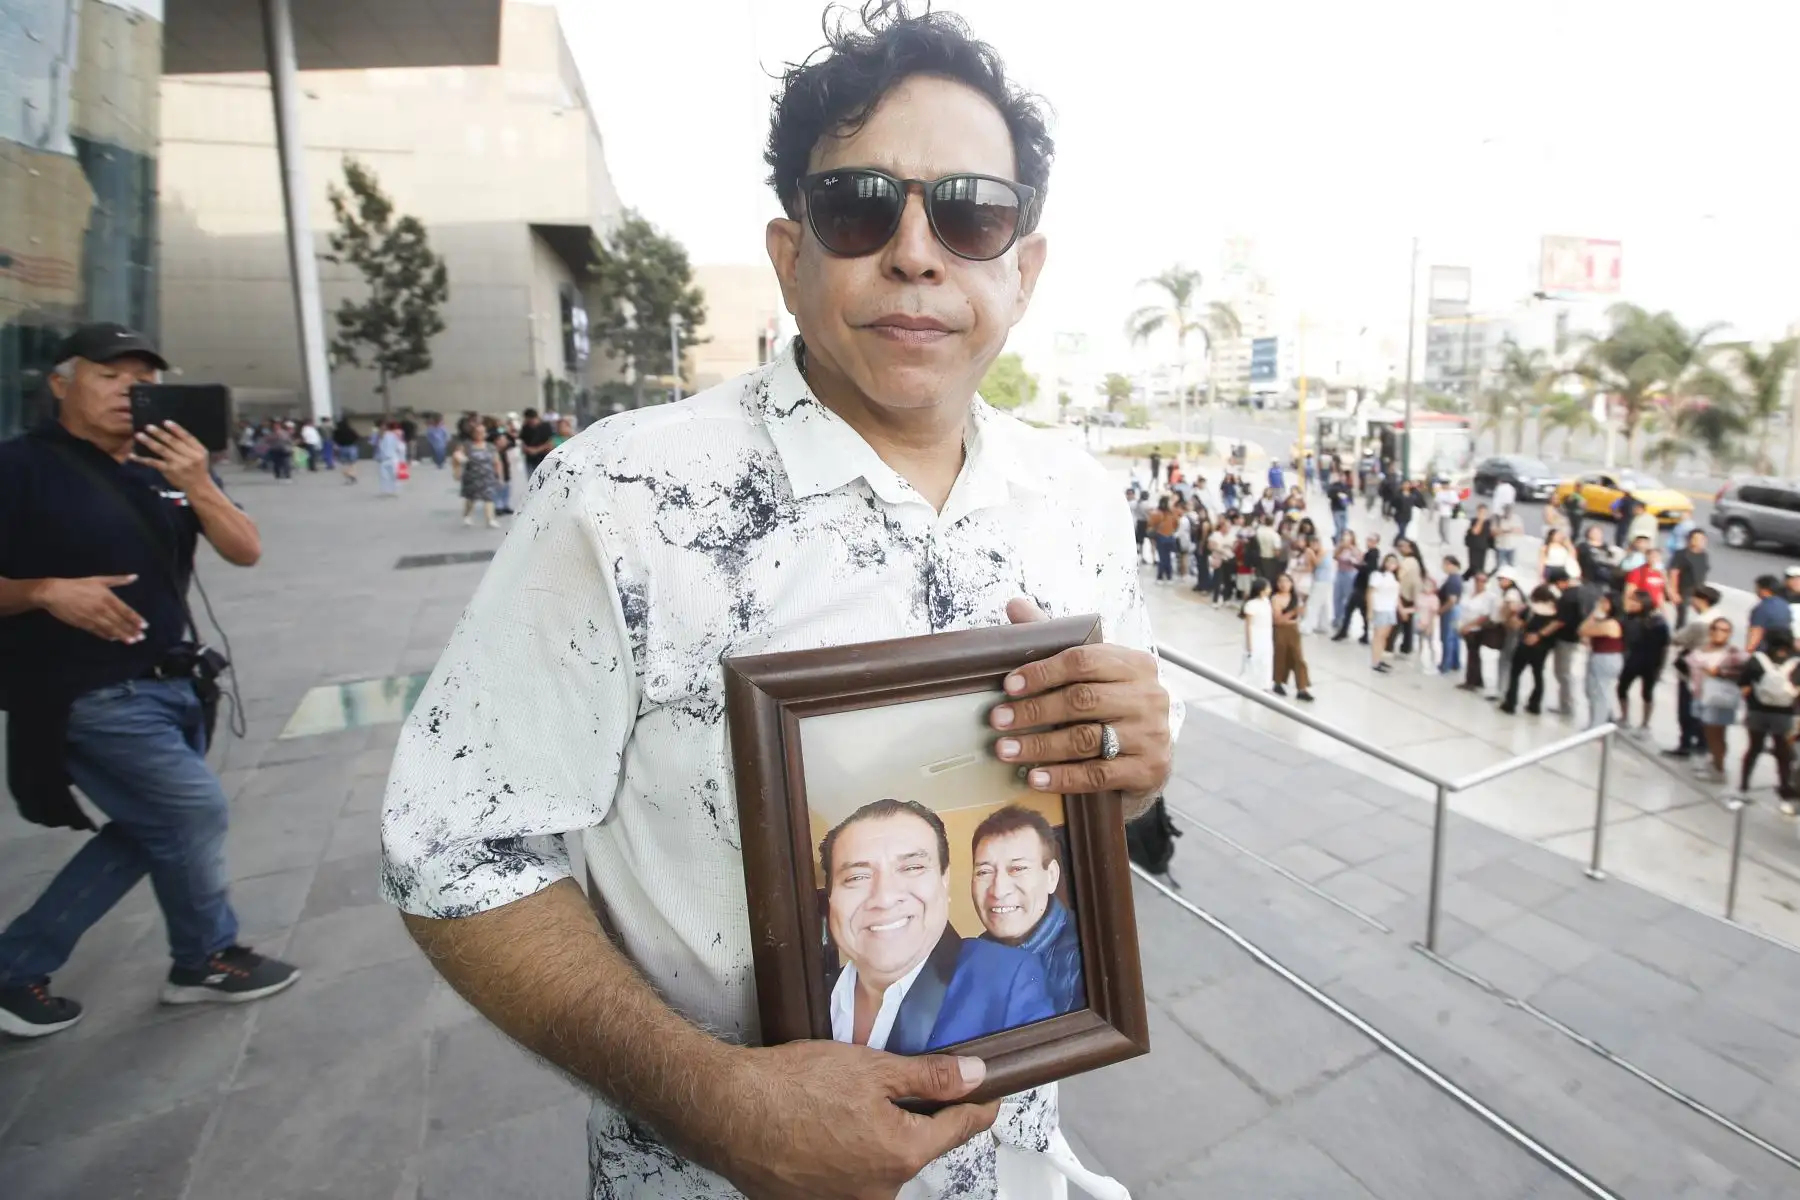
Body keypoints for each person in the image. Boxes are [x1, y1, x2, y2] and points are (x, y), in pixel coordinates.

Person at [378, 11, 1177, 1195]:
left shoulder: (1075, 499)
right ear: (791, 249)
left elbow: (1091, 826)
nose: (916, 254)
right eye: (861, 206)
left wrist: (1137, 770)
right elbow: (456, 854)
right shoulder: (624, 496)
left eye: (970, 213)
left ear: (1024, 264)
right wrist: (714, 1101)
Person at [0, 323, 298, 1037]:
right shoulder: (21, 468)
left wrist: (196, 481)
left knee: (155, 827)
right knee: (191, 813)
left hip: (174, 684)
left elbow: (246, 549)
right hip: (86, 690)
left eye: (144, 379)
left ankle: (14, 970)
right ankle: (204, 958)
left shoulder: (167, 463)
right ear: (61, 383)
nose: (130, 390)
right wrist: (44, 591)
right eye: (110, 375)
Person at [823, 800, 1054, 1053]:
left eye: (912, 868)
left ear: (945, 883)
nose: (884, 898)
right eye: (857, 877)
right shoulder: (807, 997)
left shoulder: (1008, 979)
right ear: (831, 896)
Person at [970, 805, 1084, 1013]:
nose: (998, 890)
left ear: (1051, 876)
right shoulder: (970, 958)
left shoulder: (1089, 957)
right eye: (984, 872)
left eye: (1017, 869)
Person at [1736, 634, 1798, 812]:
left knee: (1754, 748)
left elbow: (1743, 683)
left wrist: (1752, 702)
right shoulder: (1795, 663)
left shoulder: (1757, 660)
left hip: (1758, 711)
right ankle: (1784, 789)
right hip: (1784, 714)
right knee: (1783, 753)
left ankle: (1744, 786)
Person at [1662, 585, 1723, 760]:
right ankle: (1702, 743)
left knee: (1686, 708)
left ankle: (1685, 744)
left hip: (1691, 671)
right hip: (1709, 672)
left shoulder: (1700, 623)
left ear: (1702, 600)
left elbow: (1677, 638)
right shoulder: (1719, 618)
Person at [1689, 617, 1747, 783]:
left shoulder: (1734, 653)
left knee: (1717, 735)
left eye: (1724, 630)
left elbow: (1743, 674)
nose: (1718, 633)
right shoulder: (1702, 648)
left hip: (1719, 698)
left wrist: (1719, 672)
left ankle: (1719, 768)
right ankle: (1714, 762)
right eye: (1715, 628)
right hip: (1701, 695)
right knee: (1709, 733)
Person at [1617, 588, 1671, 737]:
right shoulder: (1627, 617)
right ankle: (1624, 717)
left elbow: (1665, 646)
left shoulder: (1657, 622)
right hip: (1632, 659)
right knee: (1622, 688)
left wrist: (1660, 667)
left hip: (1650, 662)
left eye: (1636, 601)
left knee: (1647, 693)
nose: (1632, 603)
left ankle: (1645, 724)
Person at [1499, 585, 1560, 715]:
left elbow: (1515, 623)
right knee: (1538, 674)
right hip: (1543, 648)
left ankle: (1511, 702)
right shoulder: (1555, 612)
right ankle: (1535, 704)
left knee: (1515, 673)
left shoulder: (1529, 610)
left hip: (1525, 644)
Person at [1579, 592, 1624, 730]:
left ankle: (1597, 726)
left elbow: (1583, 630)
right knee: (1593, 690)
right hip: (1599, 656)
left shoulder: (1611, 623)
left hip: (1607, 659)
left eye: (1605, 602)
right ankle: (1599, 722)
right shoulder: (1605, 621)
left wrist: (1594, 613)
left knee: (1601, 692)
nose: (1601, 605)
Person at [1543, 570, 1585, 718]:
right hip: (1574, 637)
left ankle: (1566, 705)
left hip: (1566, 638)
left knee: (1562, 672)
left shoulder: (1567, 597)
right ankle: (1566, 703)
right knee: (1564, 672)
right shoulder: (1579, 592)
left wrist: (1541, 633)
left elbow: (1560, 621)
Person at [1270, 573, 1314, 701]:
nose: (1284, 584)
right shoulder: (1276, 599)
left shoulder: (1296, 597)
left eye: (1286, 581)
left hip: (1294, 630)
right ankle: (1278, 682)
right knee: (1281, 656)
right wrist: (1293, 612)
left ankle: (1302, 688)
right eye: (1281, 582)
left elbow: (1302, 613)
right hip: (1281, 630)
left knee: (1298, 658)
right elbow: (1277, 620)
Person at [1456, 570, 1501, 693]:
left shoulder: (1488, 597)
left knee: (1473, 655)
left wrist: (1468, 626)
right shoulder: (1469, 593)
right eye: (1477, 580)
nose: (1479, 583)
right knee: (1472, 654)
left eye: (1483, 581)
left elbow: (1484, 616)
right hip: (1465, 624)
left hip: (1476, 629)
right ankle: (1477, 679)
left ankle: (1471, 681)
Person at [1334, 533, 1381, 643]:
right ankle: (1363, 633)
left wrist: (1356, 564)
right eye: (1368, 540)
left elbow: (1369, 569)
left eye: (1371, 540)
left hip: (1362, 586)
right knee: (1360, 610)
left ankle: (1345, 631)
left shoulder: (1373, 554)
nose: (1368, 542)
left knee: (1350, 608)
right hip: (1362, 585)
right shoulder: (1370, 553)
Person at [452, 423, 500, 528]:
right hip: (472, 477)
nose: (480, 434)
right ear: (473, 434)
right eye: (477, 432)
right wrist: (457, 469)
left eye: (482, 432)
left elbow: (496, 461)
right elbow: (456, 456)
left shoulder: (490, 446)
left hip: (488, 476)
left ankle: (490, 519)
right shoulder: (467, 445)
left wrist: (498, 475)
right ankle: (467, 516)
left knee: (489, 498)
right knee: (471, 498)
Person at [1668, 529, 1711, 627]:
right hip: (1685, 590)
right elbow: (1674, 573)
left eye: (1702, 539)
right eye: (1697, 539)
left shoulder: (1704, 555)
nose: (1701, 541)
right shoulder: (1681, 554)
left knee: (1705, 615)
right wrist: (1673, 592)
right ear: (1690, 540)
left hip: (1699, 589)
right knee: (1683, 617)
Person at [1367, 555, 1402, 673]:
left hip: (1390, 609)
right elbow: (1370, 593)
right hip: (1380, 608)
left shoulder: (1394, 577)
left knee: (1385, 636)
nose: (1392, 564)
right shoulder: (1377, 575)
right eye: (1390, 561)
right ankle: (1375, 661)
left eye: (1394, 562)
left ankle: (1379, 658)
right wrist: (1370, 610)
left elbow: (1396, 596)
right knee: (1378, 636)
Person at [1241, 577, 1275, 689]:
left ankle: (1265, 685)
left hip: (1266, 635)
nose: (1270, 589)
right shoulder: (1251, 605)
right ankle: (1245, 685)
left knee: (1266, 660)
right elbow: (1248, 625)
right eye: (1268, 587)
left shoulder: (1267, 602)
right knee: (1252, 662)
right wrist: (1249, 644)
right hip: (1255, 635)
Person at [1746, 575, 1792, 654]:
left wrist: (1748, 652)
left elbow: (1756, 631)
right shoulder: (1784, 605)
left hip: (1764, 651)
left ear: (1763, 590)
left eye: (1757, 588)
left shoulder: (1762, 607)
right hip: (1783, 650)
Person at [1436, 557, 1464, 676]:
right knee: (1454, 637)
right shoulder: (1457, 579)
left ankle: (1445, 664)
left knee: (1447, 637)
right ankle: (1454, 662)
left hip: (1450, 611)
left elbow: (1451, 600)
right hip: (1456, 610)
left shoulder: (1452, 580)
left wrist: (1441, 611)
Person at [518, 406, 555, 481]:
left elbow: (550, 442)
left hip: (543, 458)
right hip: (530, 459)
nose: (531, 423)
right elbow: (522, 442)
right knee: (531, 481)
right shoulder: (526, 427)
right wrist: (528, 449)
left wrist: (537, 450)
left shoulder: (546, 426)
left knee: (544, 480)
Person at [1148, 495, 1178, 584]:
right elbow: (1176, 524)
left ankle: (1161, 577)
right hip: (1166, 537)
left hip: (1162, 537)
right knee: (1166, 558)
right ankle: (1167, 576)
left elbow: (1150, 525)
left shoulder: (1157, 513)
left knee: (1163, 558)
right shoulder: (1170, 513)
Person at [375, 420, 406, 496]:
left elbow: (400, 447)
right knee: (385, 475)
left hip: (392, 458)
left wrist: (402, 459)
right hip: (385, 459)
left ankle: (394, 490)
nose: (381, 430)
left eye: (383, 429)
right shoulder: (380, 438)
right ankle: (388, 490)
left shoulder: (392, 436)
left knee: (393, 475)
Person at [1462, 504, 1493, 578]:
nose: (1482, 514)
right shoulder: (1474, 521)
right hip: (1474, 546)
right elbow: (1475, 532)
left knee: (1480, 566)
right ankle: (1466, 577)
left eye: (1484, 512)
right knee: (1473, 565)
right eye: (1480, 512)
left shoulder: (1488, 522)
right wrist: (1480, 520)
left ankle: (1476, 578)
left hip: (1483, 547)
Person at [332, 416, 362, 484]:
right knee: (352, 463)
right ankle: (352, 474)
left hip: (342, 448)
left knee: (344, 464)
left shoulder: (336, 431)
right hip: (352, 447)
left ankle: (348, 477)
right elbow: (357, 437)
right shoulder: (351, 430)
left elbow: (334, 440)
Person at [1327, 471, 1352, 541]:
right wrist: (1338, 494)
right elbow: (1329, 495)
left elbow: (1349, 496)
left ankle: (1339, 539)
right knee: (1339, 527)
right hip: (1336, 509)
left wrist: (1348, 500)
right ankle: (1338, 541)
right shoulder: (1334, 486)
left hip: (1344, 509)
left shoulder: (1346, 486)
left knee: (1344, 527)